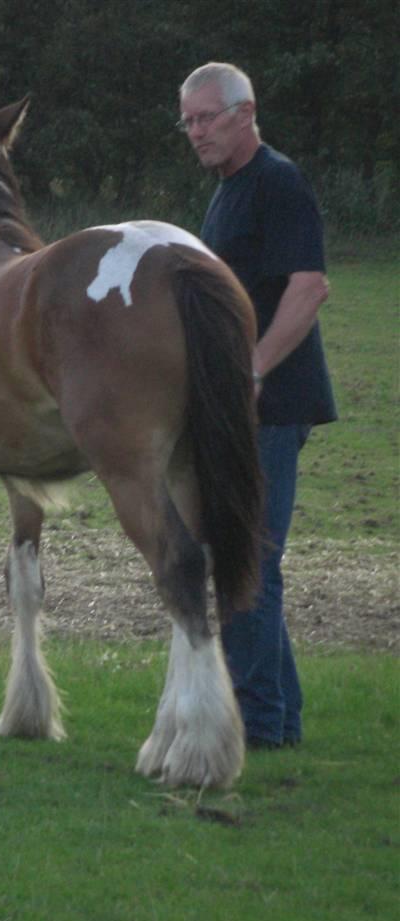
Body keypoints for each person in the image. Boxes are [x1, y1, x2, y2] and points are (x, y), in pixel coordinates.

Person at [177, 62, 337, 749]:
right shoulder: (228, 191)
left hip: (270, 407)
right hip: (242, 409)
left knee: (246, 562)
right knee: (249, 561)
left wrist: (251, 370)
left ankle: (259, 725)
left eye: (205, 117)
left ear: (246, 112)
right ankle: (281, 720)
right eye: (186, 121)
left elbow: (309, 287)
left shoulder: (277, 181)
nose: (195, 133)